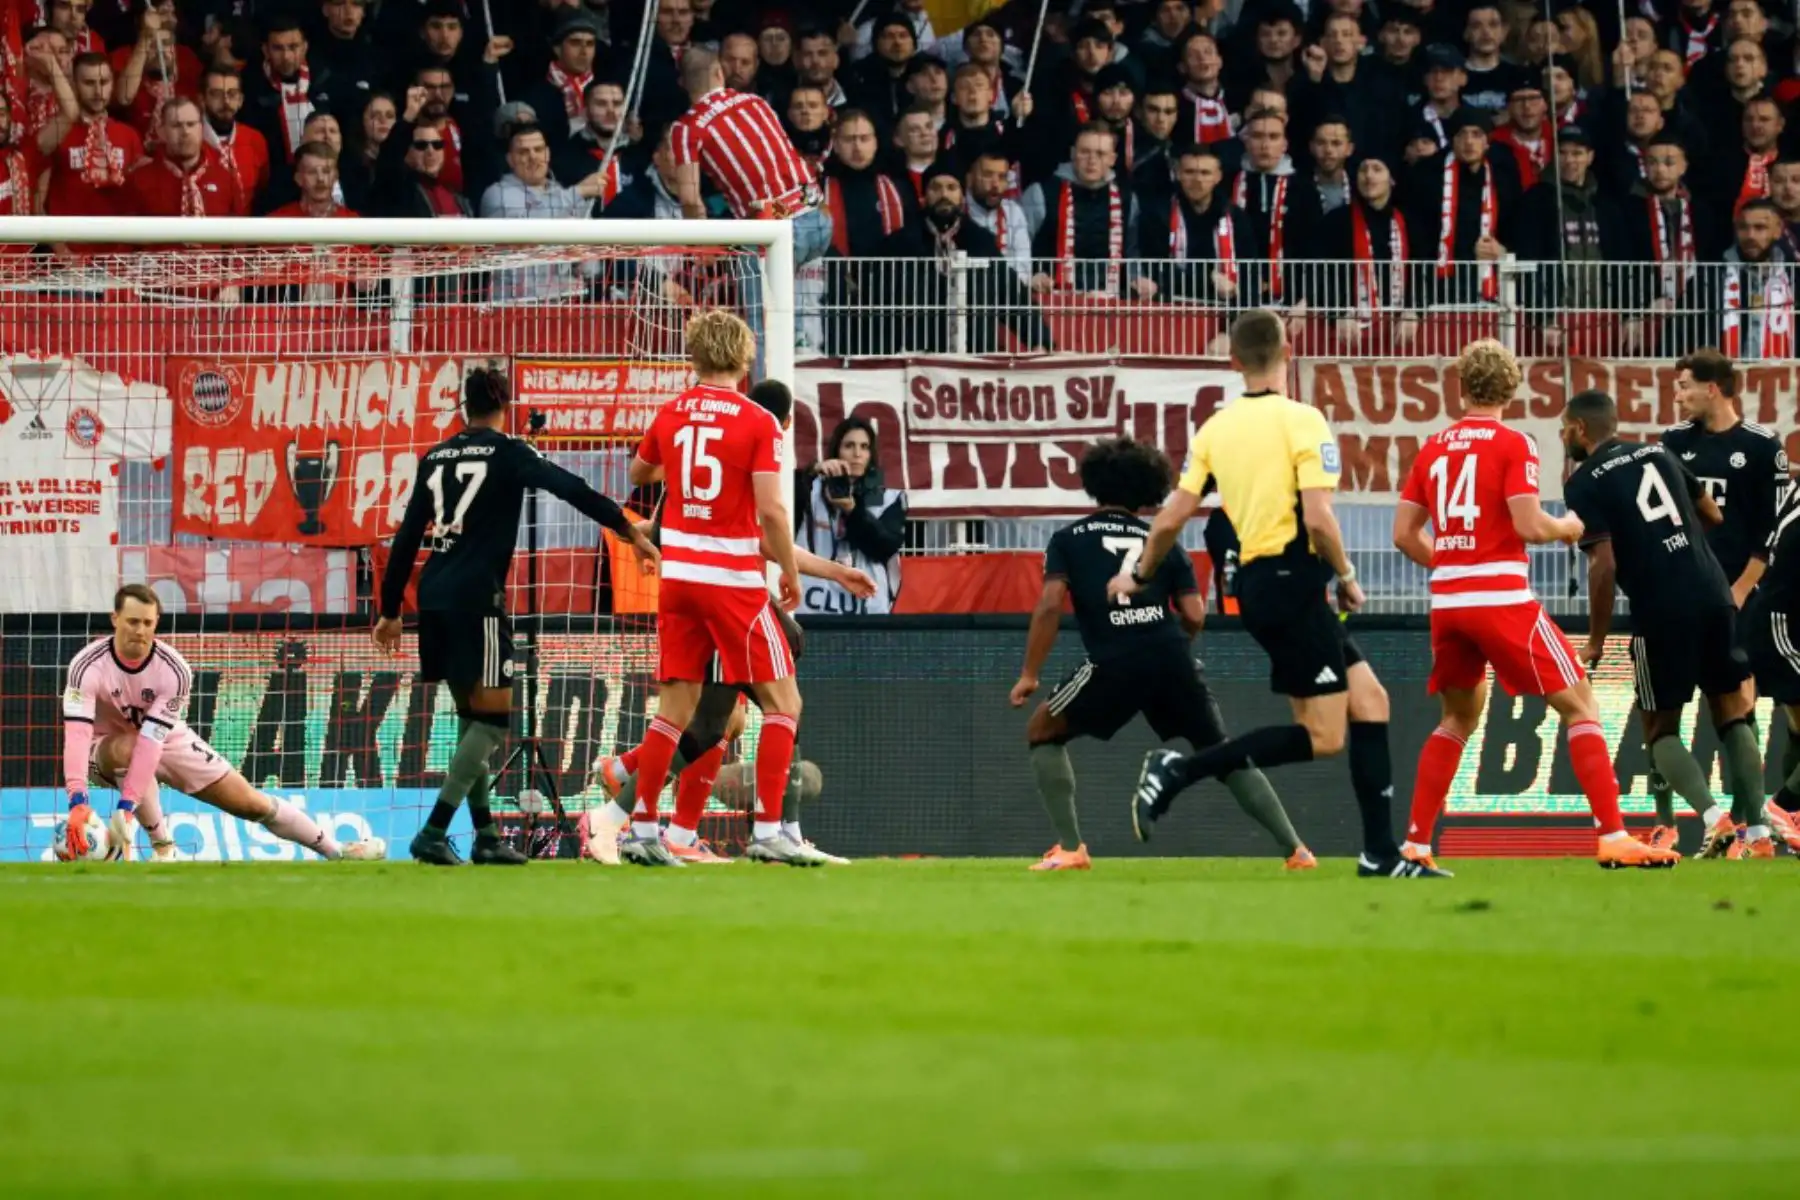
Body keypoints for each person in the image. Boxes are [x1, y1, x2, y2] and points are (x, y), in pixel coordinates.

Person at [1112, 310, 1436, 878]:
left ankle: (1380, 854)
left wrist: (1137, 576)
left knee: (1371, 702)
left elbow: (1168, 522)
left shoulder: (1216, 429)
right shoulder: (1304, 421)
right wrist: (1349, 576)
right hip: (1293, 581)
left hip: (1265, 585)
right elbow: (1318, 518)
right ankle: (1177, 771)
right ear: (1289, 349)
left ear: (1234, 361)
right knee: (1325, 735)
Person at [1392, 342, 1678, 870]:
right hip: (1501, 599)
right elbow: (1527, 524)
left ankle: (1414, 844)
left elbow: (1403, 536)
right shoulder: (1513, 443)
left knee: (1455, 719)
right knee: (1581, 704)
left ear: (1461, 387)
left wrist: (1456, 564)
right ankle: (1613, 834)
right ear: (1511, 388)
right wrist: (1568, 527)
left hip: (1450, 601)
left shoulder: (1432, 447)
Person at [375, 369, 659, 866]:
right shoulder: (509, 451)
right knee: (490, 724)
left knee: (470, 720)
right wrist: (626, 529)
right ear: (506, 404)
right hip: (478, 602)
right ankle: (434, 830)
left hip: (435, 597)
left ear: (462, 406)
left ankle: (485, 836)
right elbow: (570, 487)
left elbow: (406, 536)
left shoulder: (435, 457)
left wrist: (390, 610)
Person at [590, 381, 873, 867]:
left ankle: (662, 818)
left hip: (699, 594)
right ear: (783, 422)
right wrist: (818, 571)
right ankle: (637, 805)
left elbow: (658, 505)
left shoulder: (706, 448)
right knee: (735, 711)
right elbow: (765, 530)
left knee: (725, 716)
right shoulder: (750, 447)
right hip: (725, 599)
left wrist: (635, 535)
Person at [1011, 437, 1313, 872]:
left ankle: (1071, 848)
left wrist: (1029, 673)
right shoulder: (1164, 541)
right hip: (1170, 655)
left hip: (1113, 659)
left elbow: (1051, 604)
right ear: (1150, 490)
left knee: (1042, 731)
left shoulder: (1069, 538)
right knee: (1219, 749)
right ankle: (1297, 850)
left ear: (1093, 484)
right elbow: (1193, 615)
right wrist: (1175, 651)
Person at [588, 312, 812, 866]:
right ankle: (767, 831)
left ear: (694, 356)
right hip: (731, 582)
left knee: (676, 708)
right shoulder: (759, 420)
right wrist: (790, 569)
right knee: (785, 703)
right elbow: (772, 511)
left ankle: (641, 831)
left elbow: (639, 475)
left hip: (679, 579)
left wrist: (684, 469)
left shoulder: (672, 413)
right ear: (744, 358)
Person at [1561, 389, 1755, 862]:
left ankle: (1714, 819)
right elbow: (1713, 513)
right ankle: (1761, 832)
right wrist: (1677, 542)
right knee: (1732, 712)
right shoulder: (1658, 451)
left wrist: (1597, 641)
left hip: (1660, 607)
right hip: (1713, 591)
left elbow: (1601, 566)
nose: (1563, 436)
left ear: (1582, 430)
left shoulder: (1583, 482)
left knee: (1659, 727)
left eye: (1565, 428)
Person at [63, 585, 385, 864]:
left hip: (164, 739)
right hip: (103, 749)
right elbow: (77, 736)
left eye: (148, 623)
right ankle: (164, 848)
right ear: (115, 619)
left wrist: (127, 806)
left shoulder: (174, 670)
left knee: (251, 802)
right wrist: (78, 802)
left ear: (156, 623)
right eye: (132, 621)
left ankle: (335, 851)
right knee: (128, 746)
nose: (140, 630)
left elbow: (152, 741)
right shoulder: (87, 665)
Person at [1648, 350, 1789, 854]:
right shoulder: (1672, 443)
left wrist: (1741, 590)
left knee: (1733, 711)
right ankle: (1742, 831)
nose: (1677, 393)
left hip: (1738, 597)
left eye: (1684, 384)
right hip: (1686, 595)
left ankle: (1752, 827)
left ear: (1714, 388)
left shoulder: (1760, 447)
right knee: (1696, 713)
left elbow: (1770, 533)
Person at [1739, 476, 1800, 853]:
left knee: (1797, 730)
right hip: (1782, 626)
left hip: (1780, 619)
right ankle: (1785, 806)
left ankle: (1792, 819)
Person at [796, 417, 907, 613]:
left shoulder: (887, 497)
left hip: (866, 609)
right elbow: (778, 500)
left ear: (871, 454)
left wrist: (852, 510)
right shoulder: (811, 488)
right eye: (849, 446)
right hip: (811, 607)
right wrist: (812, 472)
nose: (857, 454)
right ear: (836, 450)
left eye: (864, 447)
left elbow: (885, 546)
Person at [122, 97, 246, 218]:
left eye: (191, 124)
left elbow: (240, 233)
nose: (185, 132)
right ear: (161, 131)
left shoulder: (226, 178)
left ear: (201, 128)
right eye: (176, 125)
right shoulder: (138, 181)